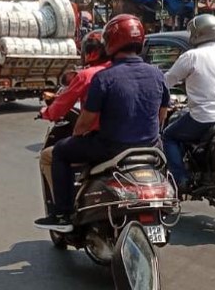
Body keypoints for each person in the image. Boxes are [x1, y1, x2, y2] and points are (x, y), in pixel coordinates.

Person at [35, 14, 169, 232]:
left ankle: (63, 214)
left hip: (111, 148)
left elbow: (85, 122)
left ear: (111, 42)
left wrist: (77, 137)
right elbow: (161, 115)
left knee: (59, 152)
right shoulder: (157, 74)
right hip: (151, 148)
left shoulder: (105, 78)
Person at [161, 14, 215, 193]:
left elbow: (168, 81)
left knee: (169, 136)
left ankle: (181, 180)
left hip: (203, 117)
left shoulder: (191, 56)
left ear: (197, 33)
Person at [38, 30, 110, 212]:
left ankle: (63, 211)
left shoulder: (88, 76)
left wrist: (47, 112)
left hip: (103, 141)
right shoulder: (129, 71)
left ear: (90, 52)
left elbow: (61, 106)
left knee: (53, 154)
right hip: (139, 141)